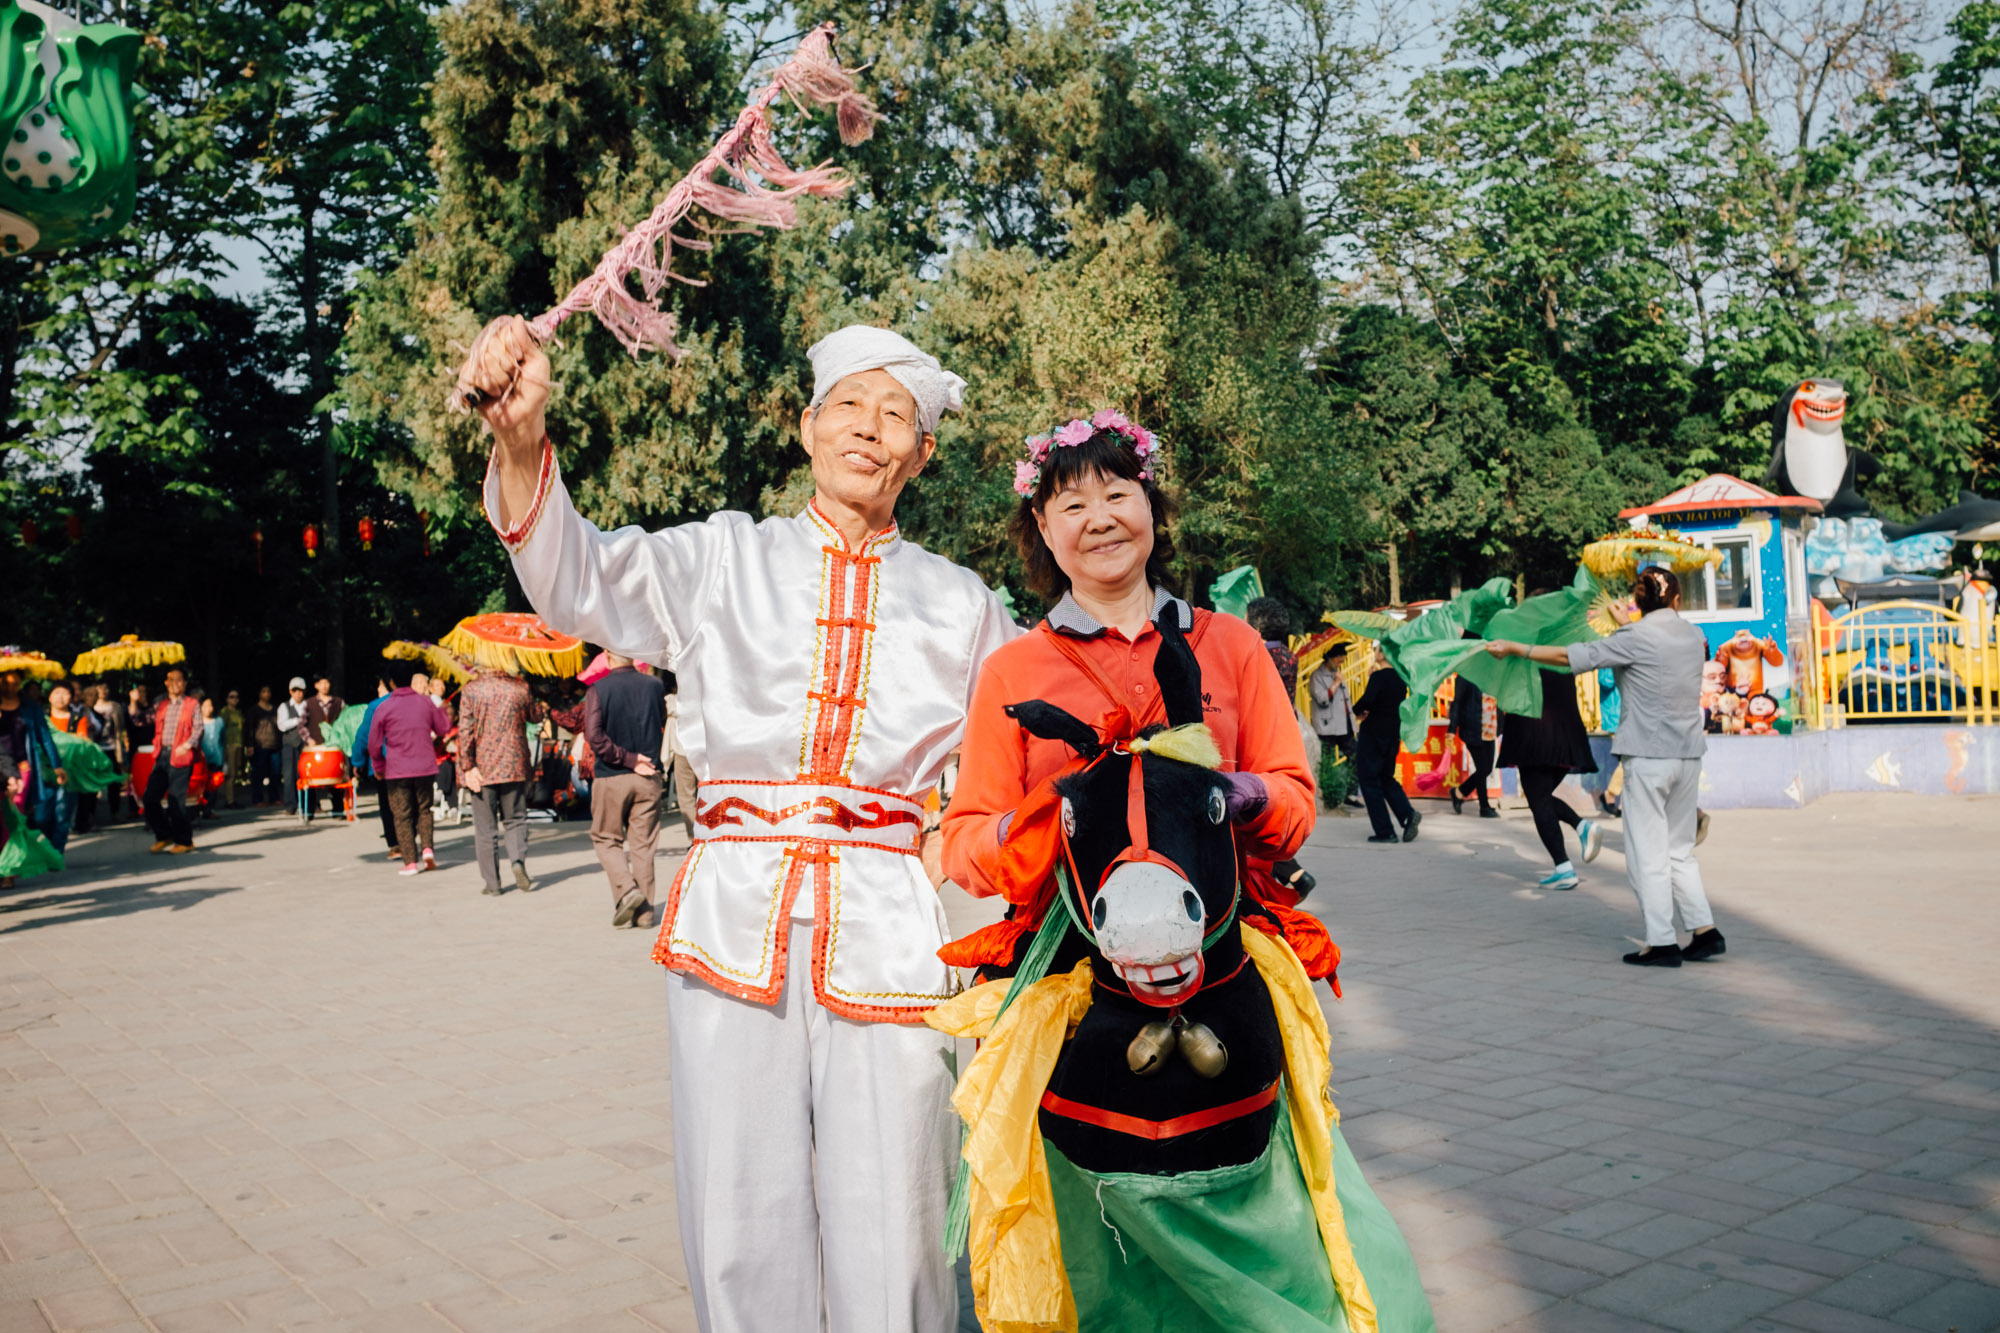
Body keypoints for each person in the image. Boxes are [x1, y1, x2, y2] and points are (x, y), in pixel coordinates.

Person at [461, 314, 1012, 1333]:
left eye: (894, 416)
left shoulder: (966, 605)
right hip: (732, 920)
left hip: (894, 925)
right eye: (848, 406)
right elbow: (577, 574)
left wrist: (956, 838)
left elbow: (1029, 747)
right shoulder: (721, 557)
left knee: (897, 1217)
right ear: (807, 427)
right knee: (735, 1210)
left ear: (921, 453)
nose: (867, 429)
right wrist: (522, 442)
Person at [1487, 566, 1724, 966]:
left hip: (1650, 759)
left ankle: (1661, 942)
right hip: (1688, 756)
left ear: (1640, 601)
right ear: (1678, 600)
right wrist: (1626, 624)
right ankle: (1704, 930)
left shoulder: (1632, 637)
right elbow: (1651, 643)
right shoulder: (1690, 635)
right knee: (1679, 851)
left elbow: (1570, 656)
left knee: (1646, 853)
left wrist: (1517, 648)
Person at [1497, 629, 1601, 891]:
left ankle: (1565, 864)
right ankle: (1579, 832)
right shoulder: (1565, 653)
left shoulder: (1523, 650)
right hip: (1566, 738)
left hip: (1535, 736)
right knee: (1540, 798)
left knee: (1538, 800)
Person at [584, 653, 669, 929]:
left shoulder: (598, 689)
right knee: (643, 845)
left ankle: (627, 890)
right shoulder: (654, 686)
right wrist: (643, 759)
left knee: (606, 839)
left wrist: (628, 759)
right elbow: (661, 721)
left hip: (612, 777)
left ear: (607, 656)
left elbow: (594, 736)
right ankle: (644, 914)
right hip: (649, 777)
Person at [457, 663, 538, 897]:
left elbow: (465, 731)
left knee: (485, 829)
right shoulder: (519, 688)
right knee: (515, 820)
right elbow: (534, 716)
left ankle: (492, 884)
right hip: (514, 763)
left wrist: (467, 765)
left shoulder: (471, 690)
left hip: (482, 767)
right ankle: (517, 860)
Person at [367, 662, 451, 875]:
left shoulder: (383, 707)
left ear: (391, 682)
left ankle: (411, 862)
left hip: (397, 770)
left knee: (402, 814)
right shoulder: (426, 703)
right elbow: (443, 728)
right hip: (425, 766)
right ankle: (428, 849)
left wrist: (378, 766)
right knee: (424, 810)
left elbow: (374, 743)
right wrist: (442, 711)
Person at [1353, 643, 1420, 843]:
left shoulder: (1379, 676)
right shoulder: (1401, 679)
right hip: (1392, 733)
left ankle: (1385, 831)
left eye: (1376, 649)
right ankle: (1408, 814)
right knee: (1385, 777)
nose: (1374, 653)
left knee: (1368, 779)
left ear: (1383, 653)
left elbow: (1367, 701)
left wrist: (1358, 710)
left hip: (1373, 733)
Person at [145, 668, 202, 854]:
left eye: (179, 680)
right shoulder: (162, 705)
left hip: (181, 755)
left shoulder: (192, 704)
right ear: (166, 683)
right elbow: (144, 721)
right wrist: (135, 702)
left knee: (176, 801)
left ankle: (185, 841)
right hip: (162, 755)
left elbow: (199, 728)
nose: (175, 683)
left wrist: (187, 745)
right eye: (171, 680)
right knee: (150, 798)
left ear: (185, 684)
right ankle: (164, 834)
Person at [349, 677, 401, 859]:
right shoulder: (415, 701)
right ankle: (410, 839)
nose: (378, 689)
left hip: (384, 764)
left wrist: (357, 762)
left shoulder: (376, 706)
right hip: (411, 763)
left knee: (387, 805)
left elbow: (364, 736)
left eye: (379, 685)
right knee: (408, 803)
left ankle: (395, 844)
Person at [1447, 647, 1500, 818]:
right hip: (1472, 727)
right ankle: (1484, 807)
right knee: (1483, 767)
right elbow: (1457, 703)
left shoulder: (1493, 676)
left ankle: (1459, 792)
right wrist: (1451, 729)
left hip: (1490, 728)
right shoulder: (1466, 675)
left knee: (1487, 767)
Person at [301, 676, 344, 820]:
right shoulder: (309, 703)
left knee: (336, 780)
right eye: (322, 683)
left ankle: (338, 811)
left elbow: (345, 721)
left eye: (327, 682)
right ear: (316, 685)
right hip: (315, 748)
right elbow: (301, 724)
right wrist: (309, 739)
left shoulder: (338, 702)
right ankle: (309, 811)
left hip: (334, 748)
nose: (325, 685)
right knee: (312, 781)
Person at [277, 678, 308, 809]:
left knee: (307, 774)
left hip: (306, 744)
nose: (298, 693)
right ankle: (290, 805)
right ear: (291, 691)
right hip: (290, 744)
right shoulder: (284, 706)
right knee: (289, 775)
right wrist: (297, 720)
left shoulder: (308, 705)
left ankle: (310, 804)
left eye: (300, 690)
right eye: (295, 690)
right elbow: (281, 726)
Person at [249, 685, 282, 805]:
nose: (266, 694)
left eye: (268, 691)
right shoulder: (254, 710)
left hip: (275, 745)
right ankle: (258, 799)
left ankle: (274, 798)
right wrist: (250, 745)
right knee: (258, 774)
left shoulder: (275, 709)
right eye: (264, 691)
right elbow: (250, 728)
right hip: (260, 745)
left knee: (275, 773)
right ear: (259, 694)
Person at [219, 689, 246, 809]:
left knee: (236, 773)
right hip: (229, 745)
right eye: (231, 697)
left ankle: (232, 799)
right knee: (230, 774)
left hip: (238, 745)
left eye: (236, 697)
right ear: (227, 699)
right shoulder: (224, 712)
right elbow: (220, 730)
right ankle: (229, 800)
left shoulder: (238, 712)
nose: (234, 699)